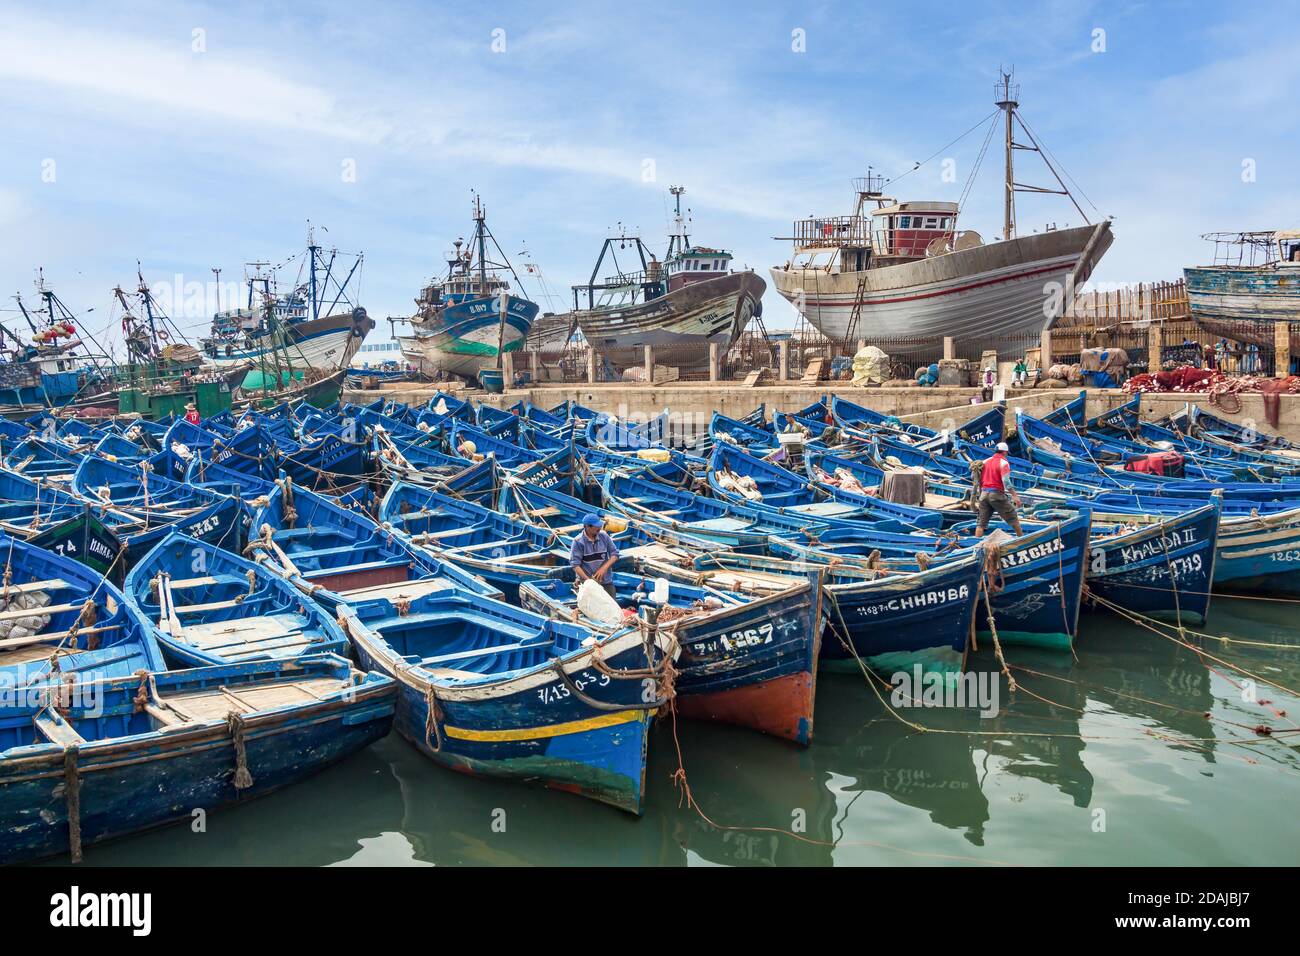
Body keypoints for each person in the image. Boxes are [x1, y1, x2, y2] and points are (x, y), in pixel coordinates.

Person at [974, 441, 1023, 537]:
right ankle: (1022, 540)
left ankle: (975, 544)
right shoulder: (1004, 463)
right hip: (996, 494)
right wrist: (1015, 496)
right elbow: (1006, 482)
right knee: (1013, 518)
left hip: (983, 495)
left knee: (981, 524)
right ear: (1004, 452)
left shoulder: (985, 461)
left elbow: (975, 477)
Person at [571, 514, 619, 597]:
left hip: (606, 582)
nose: (599, 528)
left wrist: (603, 568)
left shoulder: (604, 536)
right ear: (587, 527)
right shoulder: (578, 542)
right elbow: (575, 565)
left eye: (600, 525)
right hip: (587, 584)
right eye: (596, 526)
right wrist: (589, 582)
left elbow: (615, 554)